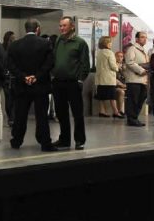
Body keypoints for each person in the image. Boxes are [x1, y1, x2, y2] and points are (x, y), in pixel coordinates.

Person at [6, 19, 57, 151]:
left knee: (20, 115)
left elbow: (10, 65)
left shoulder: (15, 45)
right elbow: (50, 63)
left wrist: (23, 77)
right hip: (40, 85)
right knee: (42, 116)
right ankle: (45, 142)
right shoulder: (46, 44)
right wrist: (37, 76)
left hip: (22, 86)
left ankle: (16, 141)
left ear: (25, 29)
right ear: (37, 29)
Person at [51, 16, 91, 150]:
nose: (61, 28)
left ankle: (79, 140)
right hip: (58, 83)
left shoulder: (80, 43)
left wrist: (80, 79)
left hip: (73, 83)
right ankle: (64, 139)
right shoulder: (58, 40)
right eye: (60, 25)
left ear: (72, 26)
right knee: (61, 113)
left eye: (64, 26)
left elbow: (85, 64)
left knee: (77, 113)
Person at [123, 31, 150, 127]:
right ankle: (131, 119)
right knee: (133, 100)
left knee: (141, 99)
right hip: (134, 79)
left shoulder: (144, 50)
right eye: (142, 37)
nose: (145, 39)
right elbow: (129, 62)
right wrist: (141, 70)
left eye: (145, 37)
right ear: (137, 39)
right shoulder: (132, 49)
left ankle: (135, 117)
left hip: (143, 80)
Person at [94, 36, 123, 118]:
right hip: (109, 79)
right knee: (112, 96)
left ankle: (102, 111)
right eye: (109, 42)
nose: (111, 44)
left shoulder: (99, 52)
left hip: (100, 79)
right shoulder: (110, 53)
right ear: (105, 43)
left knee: (101, 96)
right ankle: (116, 112)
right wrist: (118, 67)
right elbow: (113, 66)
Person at [3, 31, 17, 126]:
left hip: (14, 77)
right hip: (6, 78)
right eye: (11, 39)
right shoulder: (3, 49)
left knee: (13, 99)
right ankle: (11, 118)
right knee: (9, 99)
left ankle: (12, 118)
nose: (13, 40)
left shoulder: (16, 49)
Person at [114, 51, 128, 117]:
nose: (120, 58)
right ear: (115, 57)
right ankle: (121, 111)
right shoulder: (113, 65)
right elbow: (112, 77)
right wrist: (120, 84)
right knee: (121, 92)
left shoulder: (125, 66)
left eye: (121, 56)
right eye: (118, 56)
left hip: (125, 85)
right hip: (115, 86)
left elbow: (127, 77)